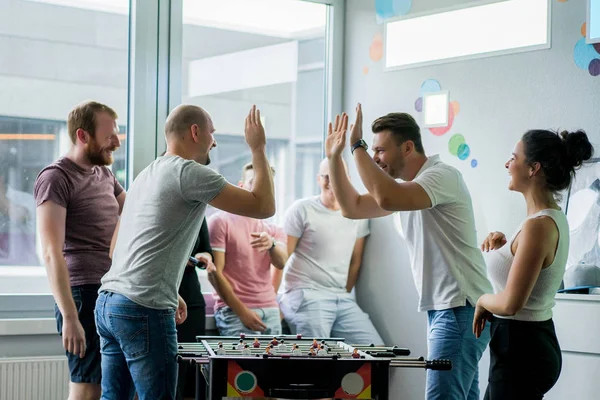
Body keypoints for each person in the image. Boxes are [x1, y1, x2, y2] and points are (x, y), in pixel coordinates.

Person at [95, 104, 275, 400]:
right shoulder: (190, 173)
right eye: (212, 133)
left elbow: (123, 248)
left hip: (109, 304)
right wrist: (258, 148)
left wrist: (169, 288)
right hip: (142, 308)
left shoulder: (146, 174)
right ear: (195, 132)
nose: (214, 141)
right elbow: (264, 206)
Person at [325, 104, 492, 400]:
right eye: (372, 150)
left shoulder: (442, 176)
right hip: (450, 310)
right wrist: (334, 157)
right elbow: (352, 208)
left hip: (459, 309)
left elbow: (386, 196)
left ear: (408, 147)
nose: (375, 158)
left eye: (380, 150)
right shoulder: (408, 189)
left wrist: (356, 146)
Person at [474, 130, 594, 399]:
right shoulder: (545, 219)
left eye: (513, 158)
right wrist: (506, 250)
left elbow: (510, 304)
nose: (507, 164)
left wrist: (482, 300)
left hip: (520, 348)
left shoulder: (538, 226)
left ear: (533, 168)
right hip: (524, 344)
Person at [33, 101, 125, 400]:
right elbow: (50, 252)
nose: (116, 141)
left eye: (118, 132)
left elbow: (137, 217)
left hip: (113, 291)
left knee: (117, 387)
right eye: (110, 134)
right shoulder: (55, 177)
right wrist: (69, 317)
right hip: (82, 296)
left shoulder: (105, 175)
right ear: (83, 136)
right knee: (87, 389)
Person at [277, 158, 382, 344]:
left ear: (347, 179)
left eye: (338, 176)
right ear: (319, 179)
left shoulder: (359, 214)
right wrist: (272, 304)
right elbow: (281, 259)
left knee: (376, 352)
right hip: (305, 293)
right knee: (317, 359)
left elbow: (355, 262)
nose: (331, 182)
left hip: (341, 297)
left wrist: (344, 292)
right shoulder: (302, 209)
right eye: (327, 176)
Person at [207, 162, 287, 336]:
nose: (261, 190)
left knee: (275, 364)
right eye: (254, 183)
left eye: (266, 185)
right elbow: (214, 273)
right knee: (239, 364)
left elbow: (281, 263)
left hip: (270, 310)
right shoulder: (220, 222)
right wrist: (242, 312)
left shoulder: (273, 229)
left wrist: (271, 244)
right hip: (234, 312)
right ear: (241, 186)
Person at [176, 218, 212, 400]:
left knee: (192, 375)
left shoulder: (198, 210)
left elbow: (206, 249)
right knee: (166, 375)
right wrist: (182, 259)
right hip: (159, 298)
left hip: (192, 301)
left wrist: (203, 257)